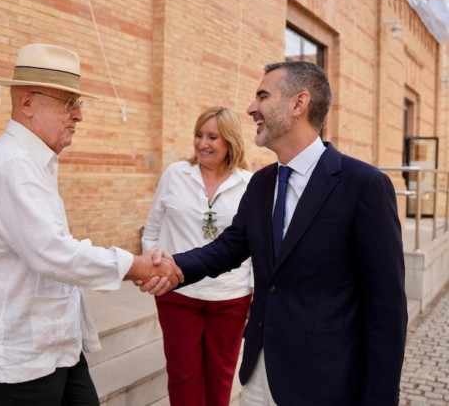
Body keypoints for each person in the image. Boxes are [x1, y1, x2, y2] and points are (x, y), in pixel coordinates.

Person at [143, 61, 408, 405]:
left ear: (298, 104)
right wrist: (172, 266)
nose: (251, 108)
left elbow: (386, 308)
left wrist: (380, 398)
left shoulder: (364, 185)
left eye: (263, 96)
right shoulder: (261, 182)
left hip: (326, 381)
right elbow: (229, 248)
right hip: (260, 373)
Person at [0, 43, 183, 406]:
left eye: (78, 103)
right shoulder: (11, 165)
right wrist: (136, 266)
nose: (79, 115)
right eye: (69, 103)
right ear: (27, 103)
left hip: (55, 343)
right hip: (20, 353)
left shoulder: (34, 161)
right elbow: (53, 253)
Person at [141, 106, 253, 406]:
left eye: (212, 137)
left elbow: (254, 242)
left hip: (230, 296)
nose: (203, 143)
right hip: (177, 292)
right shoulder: (175, 174)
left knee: (220, 377)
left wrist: (254, 290)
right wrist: (152, 268)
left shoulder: (249, 183)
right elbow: (152, 228)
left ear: (230, 141)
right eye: (199, 135)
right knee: (182, 375)